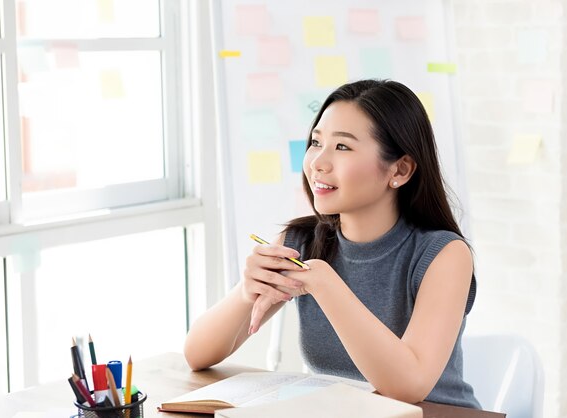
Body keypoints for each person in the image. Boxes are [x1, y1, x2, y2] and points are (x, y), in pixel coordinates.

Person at [184, 79, 480, 408]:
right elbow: (197, 354)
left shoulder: (444, 255)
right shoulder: (302, 242)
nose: (317, 162)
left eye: (342, 147)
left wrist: (327, 285)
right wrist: (245, 293)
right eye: (315, 142)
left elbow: (408, 388)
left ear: (400, 169)